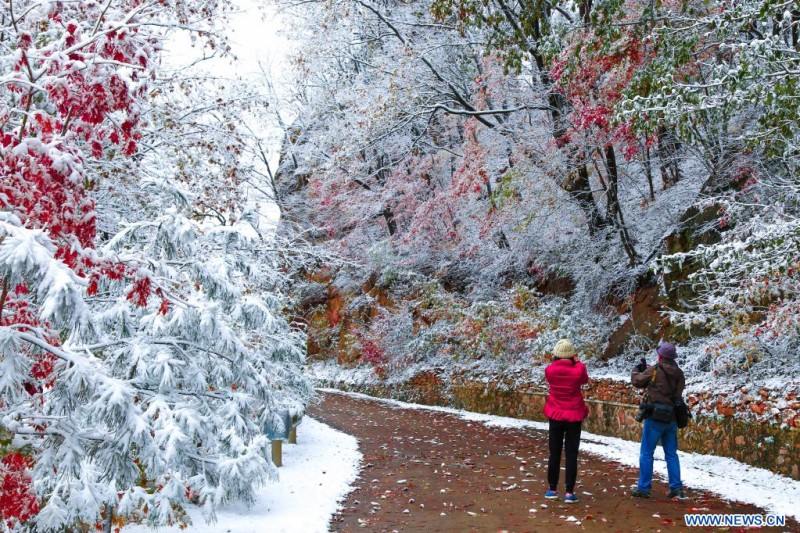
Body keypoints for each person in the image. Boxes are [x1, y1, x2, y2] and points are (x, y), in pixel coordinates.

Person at [630, 341, 687, 499]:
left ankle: (643, 488)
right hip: (672, 417)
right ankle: (676, 487)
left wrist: (636, 369)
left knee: (647, 453)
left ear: (660, 356)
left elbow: (637, 381)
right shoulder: (679, 373)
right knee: (671, 454)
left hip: (654, 417)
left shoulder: (655, 369)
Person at [543, 339, 589, 504]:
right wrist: (577, 362)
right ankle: (569, 492)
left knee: (554, 453)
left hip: (555, 414)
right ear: (571, 354)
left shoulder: (550, 370)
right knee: (571, 454)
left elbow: (550, 376)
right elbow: (584, 379)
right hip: (574, 415)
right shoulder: (578, 370)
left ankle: (552, 489)